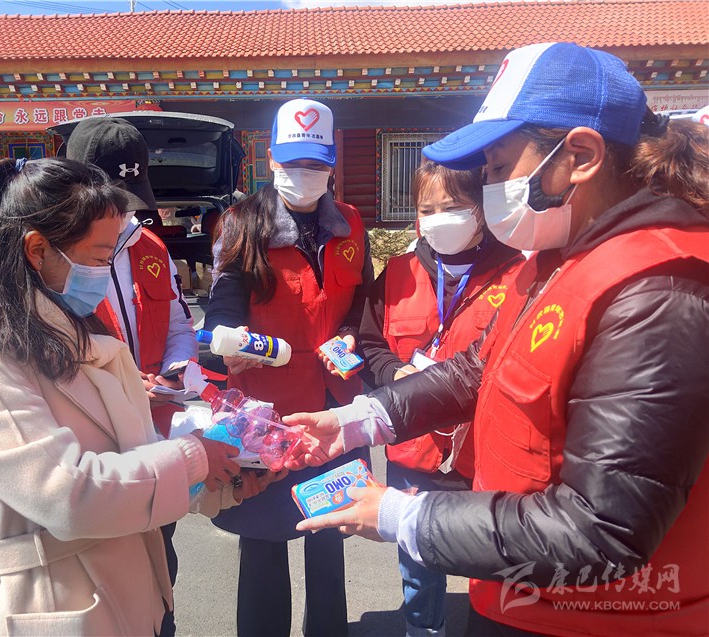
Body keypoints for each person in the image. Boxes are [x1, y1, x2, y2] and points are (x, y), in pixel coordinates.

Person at [284, 42, 709, 636]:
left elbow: (603, 529)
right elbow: (478, 368)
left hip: (596, 619)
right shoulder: (559, 260)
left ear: (581, 156)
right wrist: (359, 421)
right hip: (521, 594)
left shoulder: (656, 293)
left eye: (498, 167)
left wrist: (403, 516)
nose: (488, 187)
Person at [0, 157, 278, 637]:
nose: (105, 273)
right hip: (51, 604)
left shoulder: (61, 324)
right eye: (100, 259)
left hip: (131, 593)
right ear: (37, 249)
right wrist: (195, 459)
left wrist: (217, 483)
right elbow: (68, 494)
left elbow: (128, 455)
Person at [204, 98, 375, 637]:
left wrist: (350, 336)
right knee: (263, 544)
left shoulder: (350, 224)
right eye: (293, 163)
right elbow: (222, 313)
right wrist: (230, 343)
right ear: (272, 160)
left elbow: (364, 302)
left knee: (329, 539)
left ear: (331, 165)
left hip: (332, 411)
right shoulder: (241, 225)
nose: (304, 175)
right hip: (265, 417)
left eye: (315, 165)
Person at [359, 161, 522, 636]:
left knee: (491, 567)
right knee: (417, 568)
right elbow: (369, 343)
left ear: (480, 209)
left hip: (483, 455)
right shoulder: (397, 274)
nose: (437, 219)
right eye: (426, 209)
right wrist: (396, 373)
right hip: (413, 451)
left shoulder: (520, 273)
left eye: (451, 207)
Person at [63, 117, 203, 635]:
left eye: (128, 201)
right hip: (93, 453)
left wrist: (175, 372)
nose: (122, 215)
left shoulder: (152, 249)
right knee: (103, 580)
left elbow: (180, 325)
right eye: (110, 202)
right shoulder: (52, 261)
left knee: (162, 561)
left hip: (152, 437)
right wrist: (122, 388)